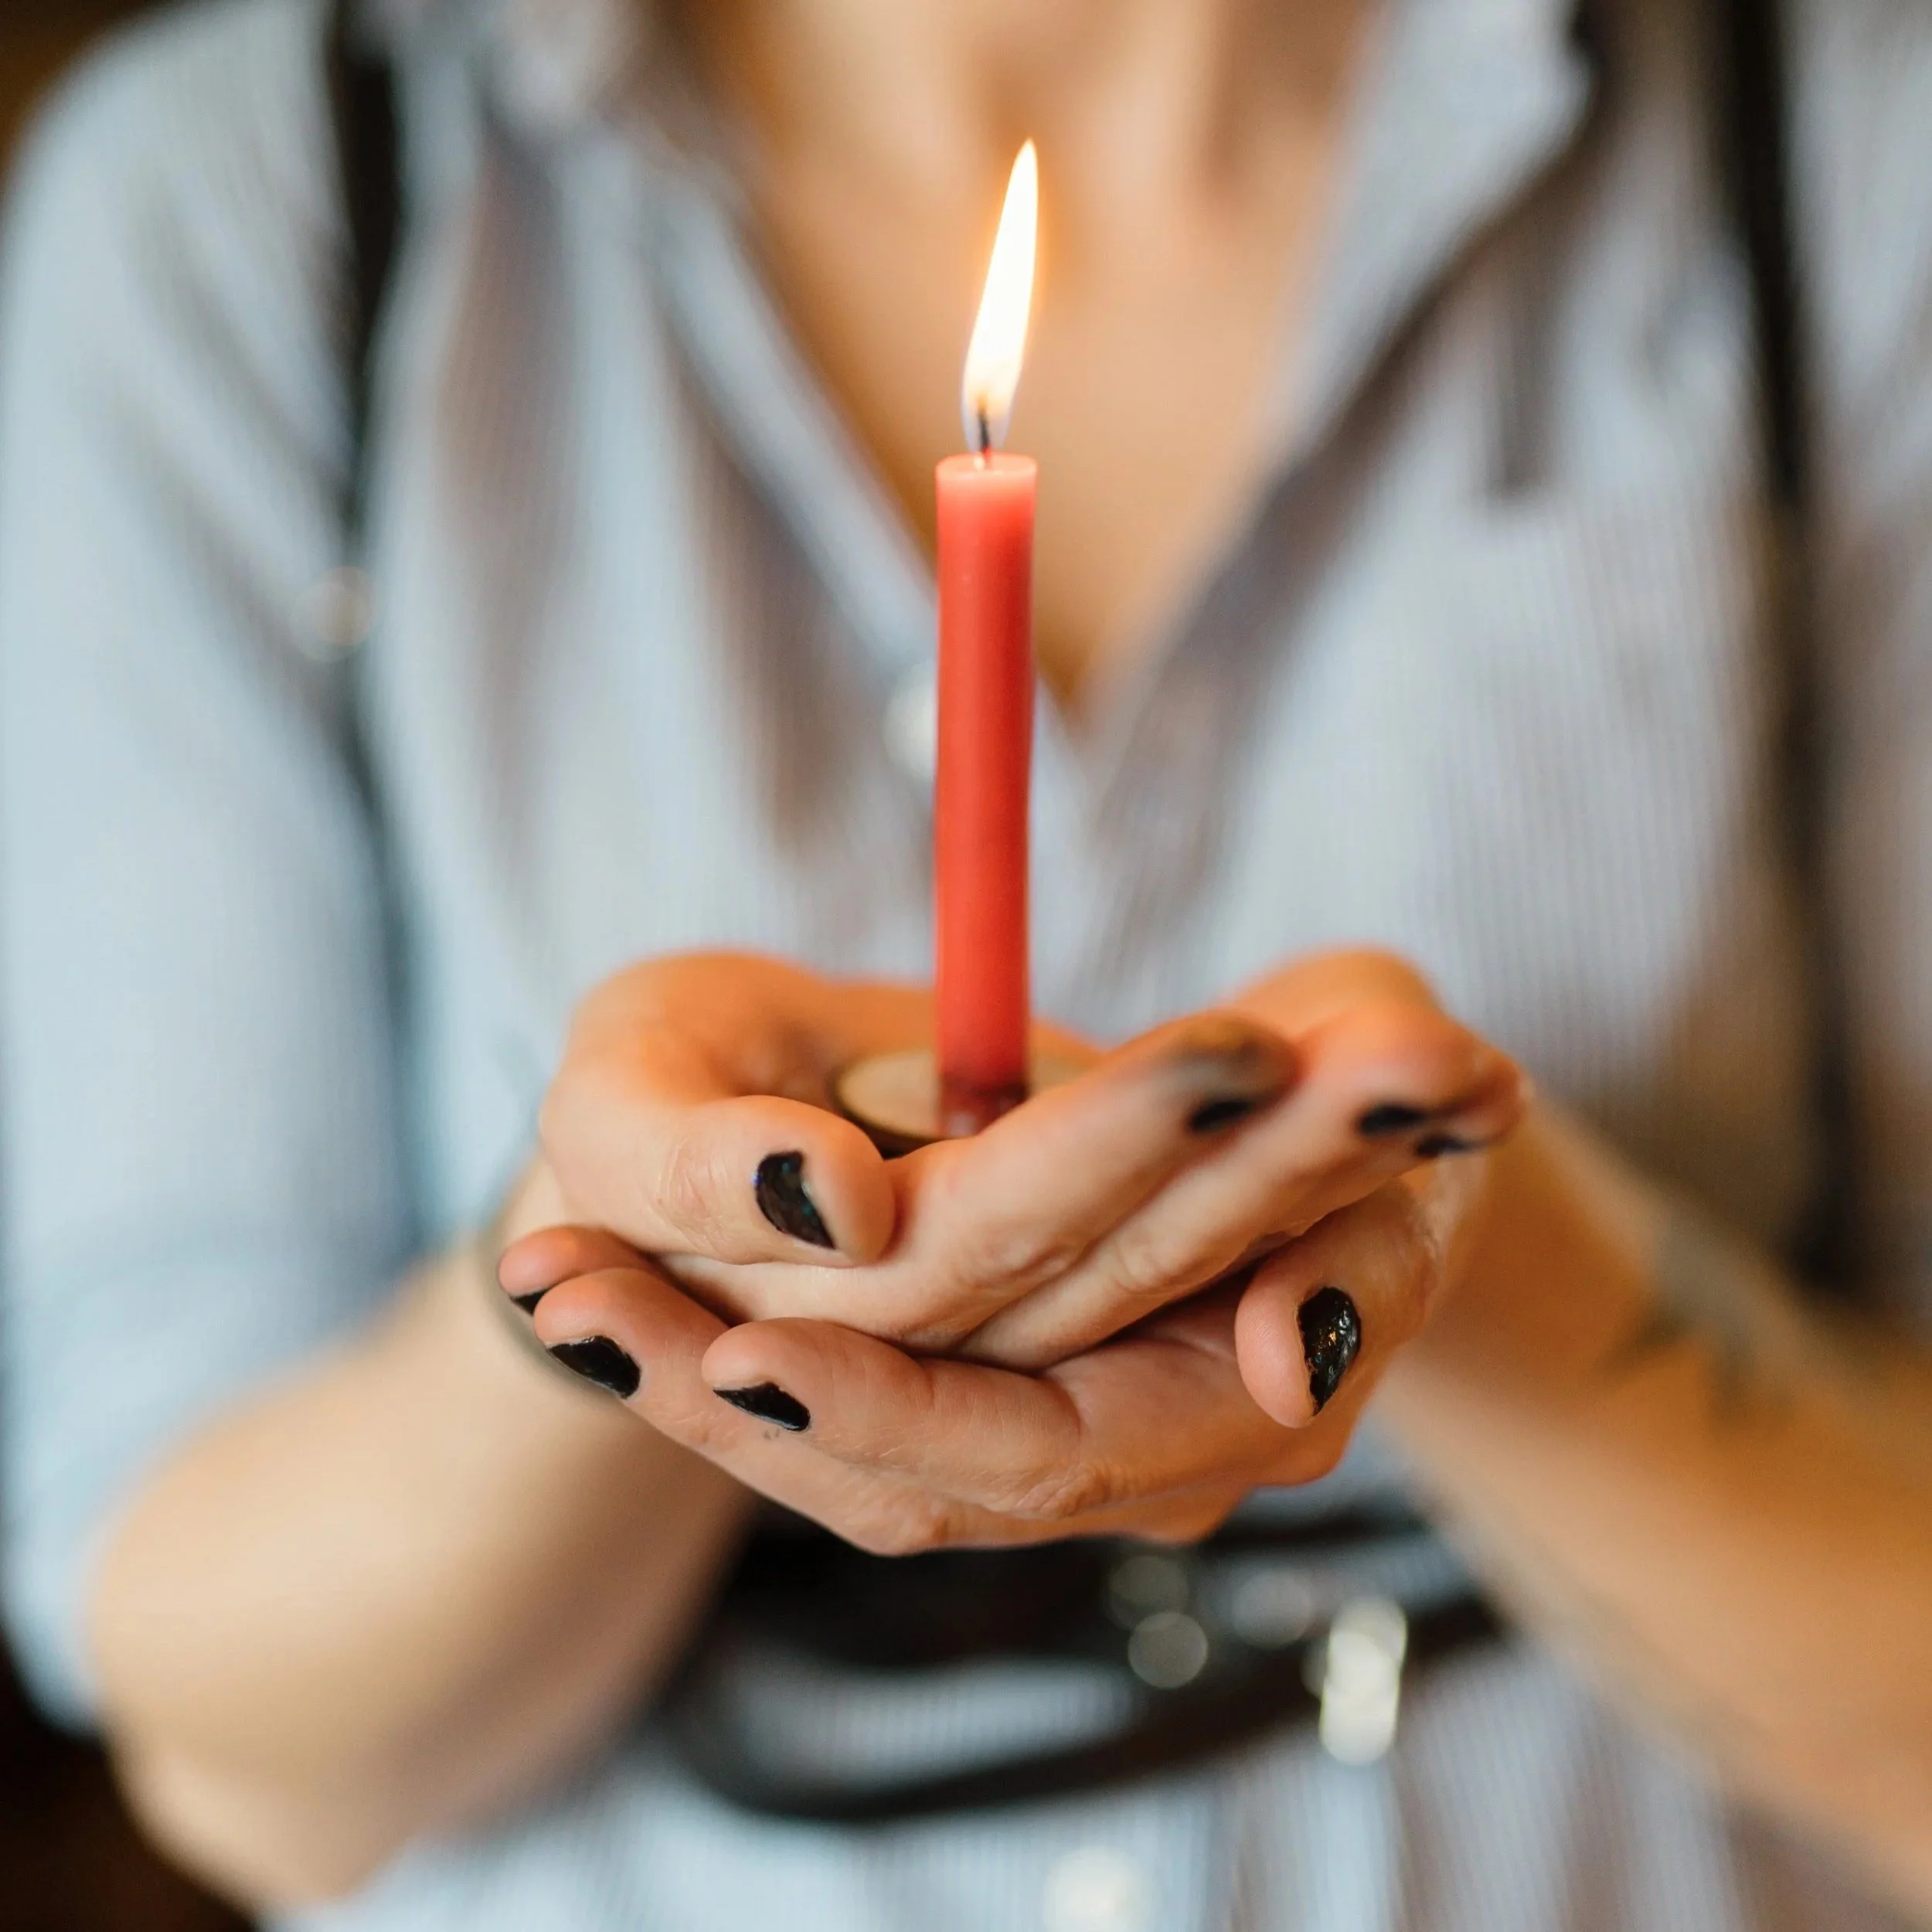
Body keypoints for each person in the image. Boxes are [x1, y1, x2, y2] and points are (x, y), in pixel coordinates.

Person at [4, 0, 1932, 1926]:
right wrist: (640, 1262)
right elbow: (248, 1765)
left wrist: (1477, 1247)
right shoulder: (251, 202)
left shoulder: (1833, 142)